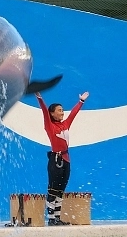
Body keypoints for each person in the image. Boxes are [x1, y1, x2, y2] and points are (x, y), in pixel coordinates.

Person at [36, 90, 88, 225]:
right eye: (59, 110)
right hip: (55, 160)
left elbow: (74, 114)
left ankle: (57, 218)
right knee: (52, 189)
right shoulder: (50, 126)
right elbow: (44, 112)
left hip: (66, 160)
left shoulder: (65, 124)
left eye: (62, 110)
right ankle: (51, 218)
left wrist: (81, 101)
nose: (62, 112)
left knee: (61, 190)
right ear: (52, 113)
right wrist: (40, 99)